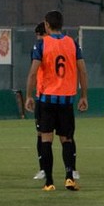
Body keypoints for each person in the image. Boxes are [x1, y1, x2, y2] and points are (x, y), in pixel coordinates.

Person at [25, 10, 88, 191]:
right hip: (66, 101)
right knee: (66, 139)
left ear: (46, 25)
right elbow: (82, 71)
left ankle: (49, 181)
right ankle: (69, 177)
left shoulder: (41, 45)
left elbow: (33, 72)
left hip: (46, 100)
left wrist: (29, 96)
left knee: (46, 139)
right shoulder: (72, 44)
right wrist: (84, 95)